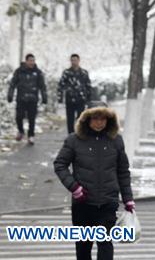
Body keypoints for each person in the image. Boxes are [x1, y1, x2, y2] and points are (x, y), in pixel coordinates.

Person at [53, 103, 135, 260]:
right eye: (96, 118)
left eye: (103, 118)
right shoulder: (73, 140)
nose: (99, 122)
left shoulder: (116, 140)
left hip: (107, 203)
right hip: (82, 205)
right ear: (87, 119)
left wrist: (128, 199)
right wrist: (74, 188)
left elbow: (123, 172)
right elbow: (60, 164)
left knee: (105, 245)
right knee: (83, 248)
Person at [7, 53, 47, 144]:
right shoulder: (19, 71)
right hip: (21, 98)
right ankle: (20, 131)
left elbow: (42, 86)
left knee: (32, 118)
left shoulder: (37, 72)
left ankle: (31, 135)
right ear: (26, 61)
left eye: (33, 61)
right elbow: (13, 84)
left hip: (33, 99)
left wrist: (44, 96)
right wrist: (10, 94)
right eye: (30, 61)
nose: (32, 63)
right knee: (19, 117)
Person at [58, 54, 93, 134]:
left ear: (79, 60)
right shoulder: (66, 73)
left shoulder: (84, 73)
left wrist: (89, 99)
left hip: (81, 99)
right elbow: (61, 85)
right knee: (70, 119)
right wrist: (60, 98)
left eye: (75, 60)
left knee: (81, 118)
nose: (74, 62)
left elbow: (88, 86)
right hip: (70, 99)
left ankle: (80, 133)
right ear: (70, 61)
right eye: (72, 60)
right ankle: (70, 134)